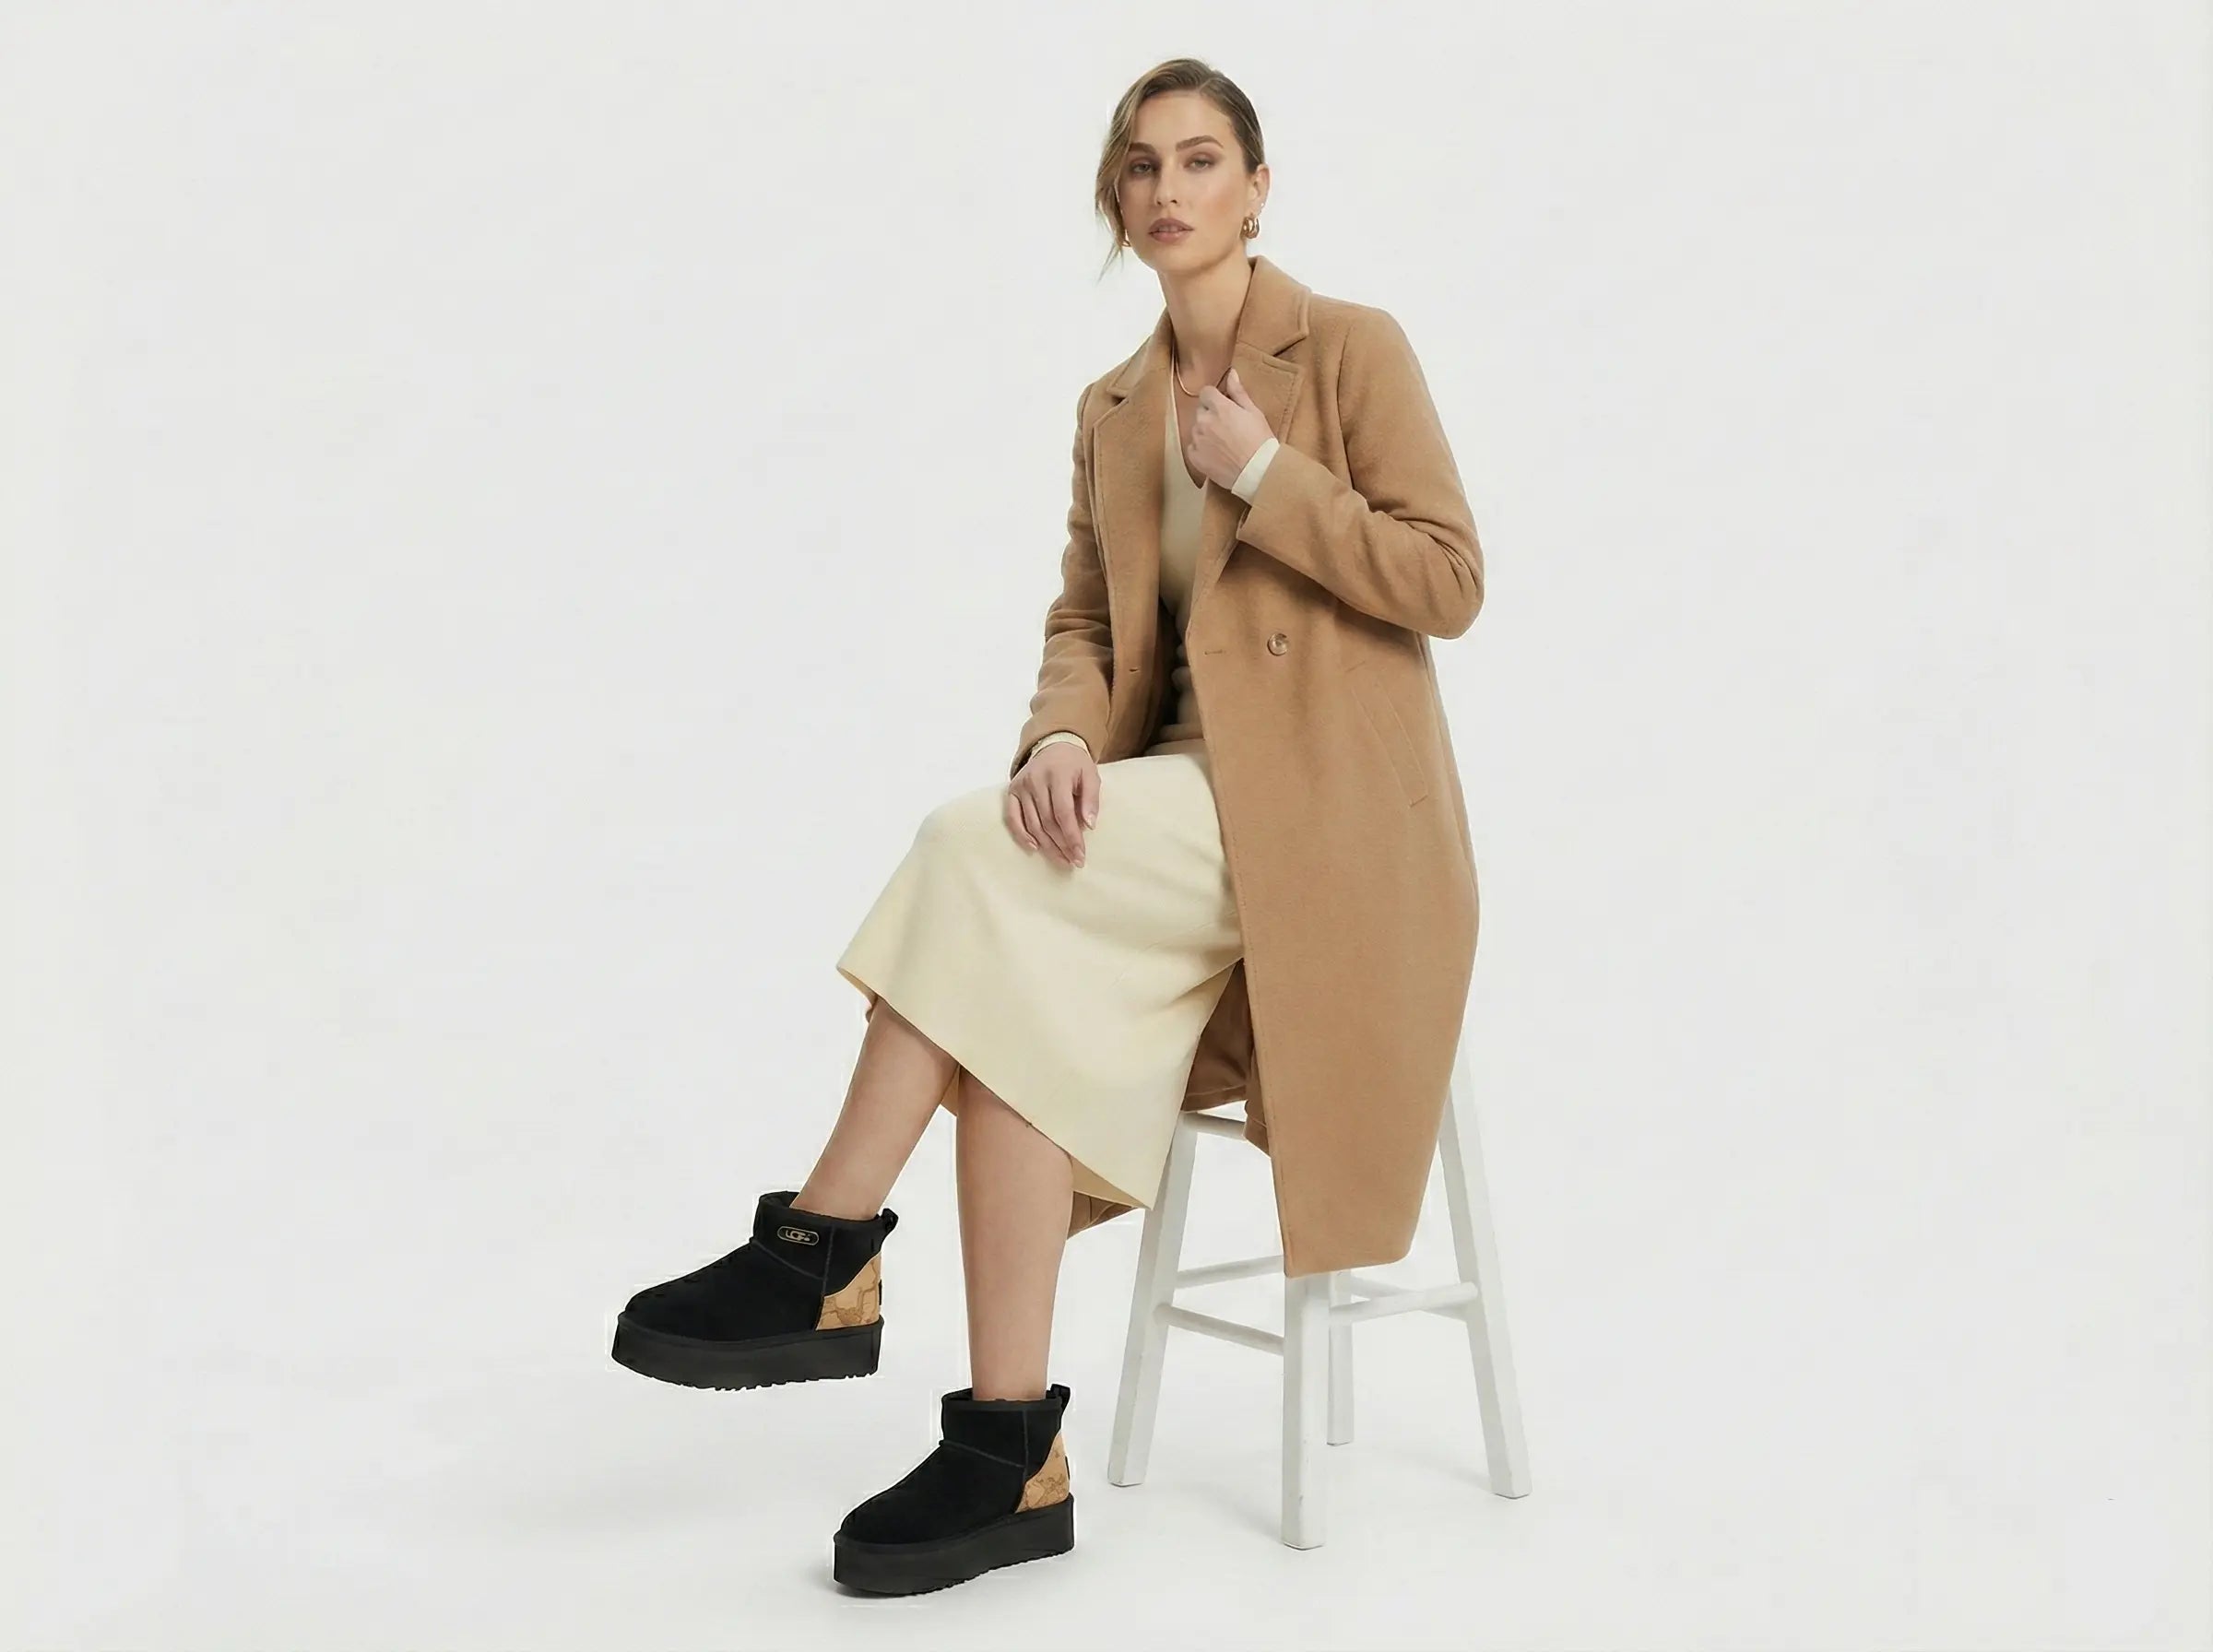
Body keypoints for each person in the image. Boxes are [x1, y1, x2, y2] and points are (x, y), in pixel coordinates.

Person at [609, 56, 1485, 1597]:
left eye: (1202, 161)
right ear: (1115, 197)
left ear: (1258, 186)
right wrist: (1069, 735)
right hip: (1176, 816)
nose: (1168, 190)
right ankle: (1010, 1450)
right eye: (1140, 166)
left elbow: (1448, 580)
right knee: (1002, 997)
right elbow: (1085, 618)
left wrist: (1267, 475)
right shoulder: (1117, 407)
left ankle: (822, 1249)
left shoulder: (1348, 352)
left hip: (1334, 832)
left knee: (969, 853)